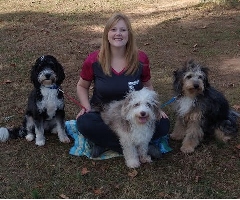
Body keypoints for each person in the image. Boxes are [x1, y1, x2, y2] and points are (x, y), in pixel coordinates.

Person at [76, 12, 170, 158]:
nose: (118, 34)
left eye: (123, 30)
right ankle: (130, 146)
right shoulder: (94, 59)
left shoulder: (141, 58)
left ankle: (107, 141)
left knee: (163, 124)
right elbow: (82, 86)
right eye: (113, 29)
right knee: (84, 123)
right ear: (107, 33)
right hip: (104, 113)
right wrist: (86, 107)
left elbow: (148, 85)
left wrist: (155, 108)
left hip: (135, 110)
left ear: (129, 34)